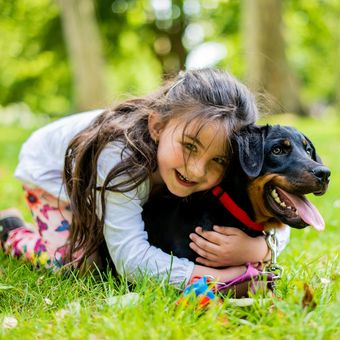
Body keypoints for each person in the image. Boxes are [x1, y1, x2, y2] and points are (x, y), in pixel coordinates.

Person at [0, 68, 290, 286]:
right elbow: (130, 260)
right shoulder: (120, 158)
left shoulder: (219, 152)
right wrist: (217, 278)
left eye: (218, 160)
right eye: (189, 146)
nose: (197, 170)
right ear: (157, 126)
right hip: (53, 174)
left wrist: (260, 247)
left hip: (124, 182)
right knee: (81, 264)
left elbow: (278, 209)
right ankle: (10, 231)